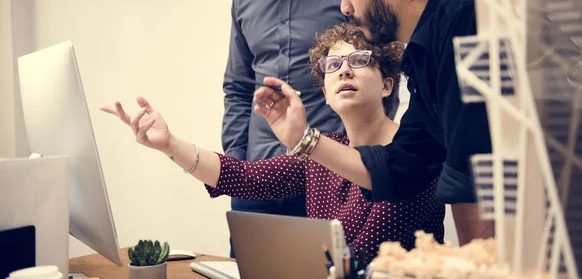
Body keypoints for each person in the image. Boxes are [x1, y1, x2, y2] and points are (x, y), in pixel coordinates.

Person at [253, 0, 495, 246]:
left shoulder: (466, 23)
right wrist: (302, 137)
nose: (345, 7)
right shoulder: (428, 52)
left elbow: (476, 179)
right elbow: (401, 167)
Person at [101, 23, 443, 259]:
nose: (344, 70)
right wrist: (170, 144)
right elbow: (246, 178)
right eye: (333, 64)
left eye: (358, 60)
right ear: (325, 93)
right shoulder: (322, 152)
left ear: (387, 84)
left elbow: (368, 250)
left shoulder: (414, 152)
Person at [222, 0, 348, 249]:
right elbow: (238, 87)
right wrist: (236, 166)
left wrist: (358, 163)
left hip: (327, 177)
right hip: (257, 181)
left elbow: (378, 78)